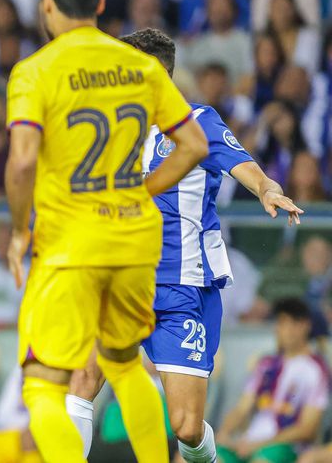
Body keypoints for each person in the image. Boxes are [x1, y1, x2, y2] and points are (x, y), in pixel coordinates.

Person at [4, 0, 209, 461]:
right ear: (99, 0)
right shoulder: (140, 68)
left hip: (70, 245)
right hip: (136, 241)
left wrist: (18, 232)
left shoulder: (36, 70)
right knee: (121, 366)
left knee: (45, 387)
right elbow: (194, 146)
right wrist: (144, 191)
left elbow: (24, 161)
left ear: (45, 3)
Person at [65, 28, 304, 463]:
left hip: (182, 290)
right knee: (81, 382)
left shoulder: (199, 122)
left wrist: (267, 189)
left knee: (187, 429)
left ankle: (206, 458)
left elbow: (244, 166)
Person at [218, 298, 328, 463]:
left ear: (305, 326)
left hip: (286, 447)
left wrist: (260, 444)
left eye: (291, 324)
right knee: (190, 457)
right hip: (248, 443)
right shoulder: (266, 364)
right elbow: (242, 408)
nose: (285, 330)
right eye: (281, 323)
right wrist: (224, 433)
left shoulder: (316, 370)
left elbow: (308, 429)